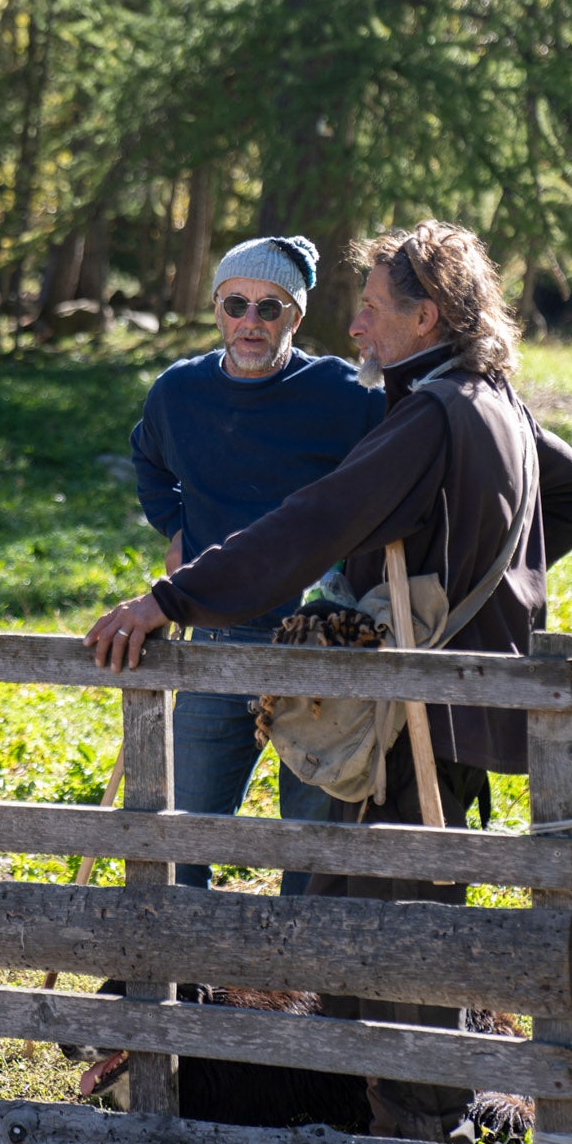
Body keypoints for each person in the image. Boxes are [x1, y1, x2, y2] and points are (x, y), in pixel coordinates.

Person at [88, 221, 572, 1144]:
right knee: (368, 925)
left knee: (388, 943)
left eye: (372, 299)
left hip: (416, 716)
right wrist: (481, 587)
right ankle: (378, 1142)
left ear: (426, 313)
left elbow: (310, 522)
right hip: (440, 711)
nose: (354, 316)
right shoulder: (484, 397)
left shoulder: (426, 416)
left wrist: (170, 596)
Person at [130, 234, 385, 893]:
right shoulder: (178, 392)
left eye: (269, 308)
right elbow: (149, 462)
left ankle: (302, 981)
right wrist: (177, 527)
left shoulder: (347, 394)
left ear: (296, 318)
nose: (250, 322)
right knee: (185, 825)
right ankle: (183, 975)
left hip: (318, 643)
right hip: (218, 628)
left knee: (314, 842)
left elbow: (392, 476)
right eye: (235, 304)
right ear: (216, 308)